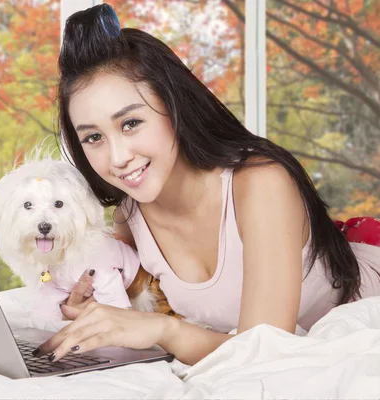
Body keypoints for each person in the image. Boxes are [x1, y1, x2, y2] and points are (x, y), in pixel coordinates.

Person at [32, 3, 380, 366]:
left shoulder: (260, 183)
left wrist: (162, 331)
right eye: (93, 138)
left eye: (131, 123)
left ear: (174, 106)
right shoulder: (131, 216)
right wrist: (82, 305)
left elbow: (266, 351)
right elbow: (126, 297)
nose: (117, 157)